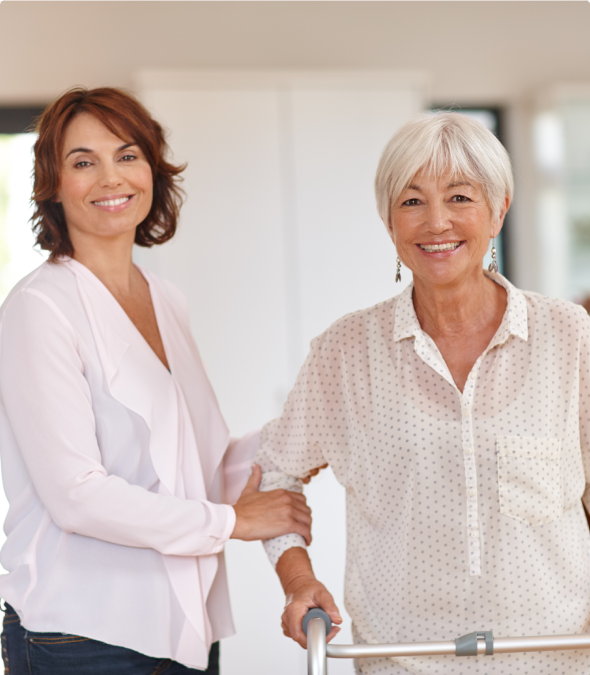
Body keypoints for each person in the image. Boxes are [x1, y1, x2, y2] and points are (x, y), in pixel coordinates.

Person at [255, 112, 590, 674]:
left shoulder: (570, 337)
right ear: (389, 221)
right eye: (412, 202)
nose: (436, 222)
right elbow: (275, 473)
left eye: (460, 197)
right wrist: (299, 579)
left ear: (499, 209)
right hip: (401, 661)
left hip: (556, 657)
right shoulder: (346, 351)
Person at [0, 87, 312, 675]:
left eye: (127, 155)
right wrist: (233, 522)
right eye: (82, 161)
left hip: (182, 627)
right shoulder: (39, 308)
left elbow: (199, 462)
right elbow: (78, 496)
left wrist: (314, 428)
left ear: (152, 169)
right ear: (52, 184)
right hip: (83, 636)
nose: (110, 178)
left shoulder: (164, 299)